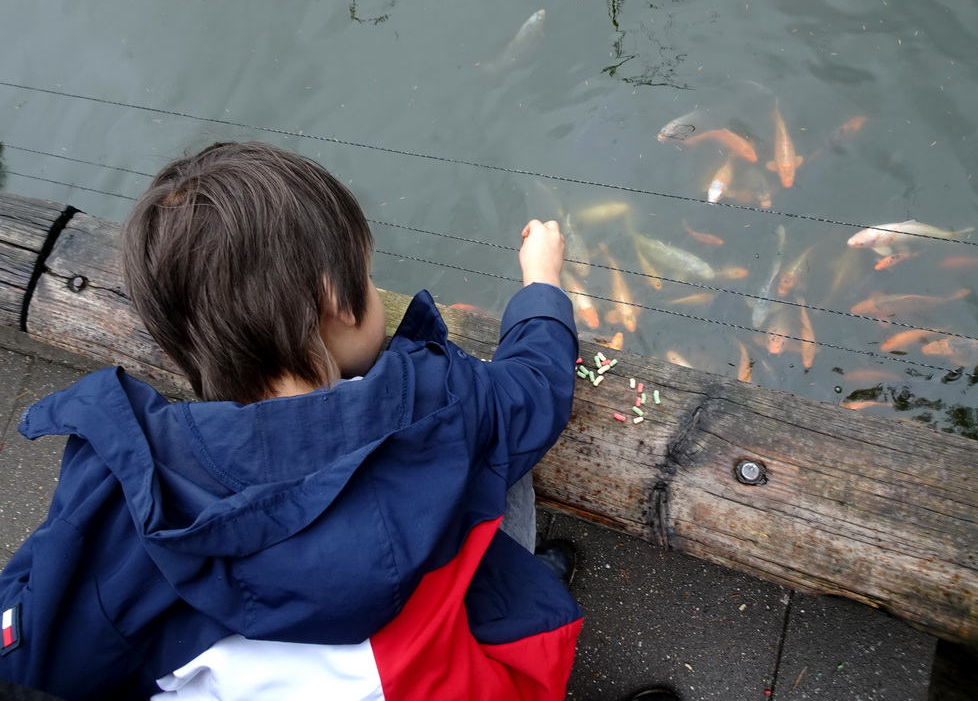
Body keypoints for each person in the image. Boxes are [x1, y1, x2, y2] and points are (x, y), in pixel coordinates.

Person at [0, 141, 583, 700]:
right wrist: (542, 285)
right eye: (369, 277)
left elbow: (31, 644)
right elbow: (534, 387)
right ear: (335, 298)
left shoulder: (120, 497)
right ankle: (504, 590)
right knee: (502, 456)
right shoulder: (443, 403)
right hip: (448, 683)